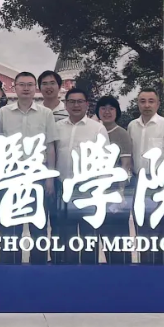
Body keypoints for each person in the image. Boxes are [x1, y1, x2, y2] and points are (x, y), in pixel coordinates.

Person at [0, 71, 57, 264]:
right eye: (22, 84)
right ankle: (9, 269)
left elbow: (50, 146)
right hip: (11, 175)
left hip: (38, 174)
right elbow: (0, 145)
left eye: (30, 85)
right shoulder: (4, 113)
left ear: (35, 88)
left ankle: (38, 269)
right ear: (15, 88)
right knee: (10, 226)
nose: (26, 88)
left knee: (38, 226)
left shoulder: (45, 114)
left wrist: (50, 178)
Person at [55, 88, 108, 264]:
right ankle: (68, 273)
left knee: (88, 236)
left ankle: (89, 274)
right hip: (63, 188)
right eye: (71, 101)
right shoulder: (57, 127)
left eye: (80, 101)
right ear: (65, 104)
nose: (75, 105)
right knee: (66, 235)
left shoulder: (97, 129)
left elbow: (104, 162)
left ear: (87, 104)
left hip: (88, 190)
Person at [127, 88, 164, 265]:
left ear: (158, 104)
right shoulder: (132, 126)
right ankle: (145, 267)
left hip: (159, 183)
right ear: (138, 104)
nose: (146, 105)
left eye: (151, 101)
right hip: (139, 182)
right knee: (142, 226)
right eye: (142, 101)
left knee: (162, 228)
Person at [95, 96, 133, 264]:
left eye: (111, 108)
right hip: (96, 192)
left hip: (114, 191)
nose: (107, 112)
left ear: (117, 111)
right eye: (103, 108)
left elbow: (125, 165)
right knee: (100, 235)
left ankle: (122, 271)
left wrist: (121, 192)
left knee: (117, 237)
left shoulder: (121, 133)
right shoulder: (94, 131)